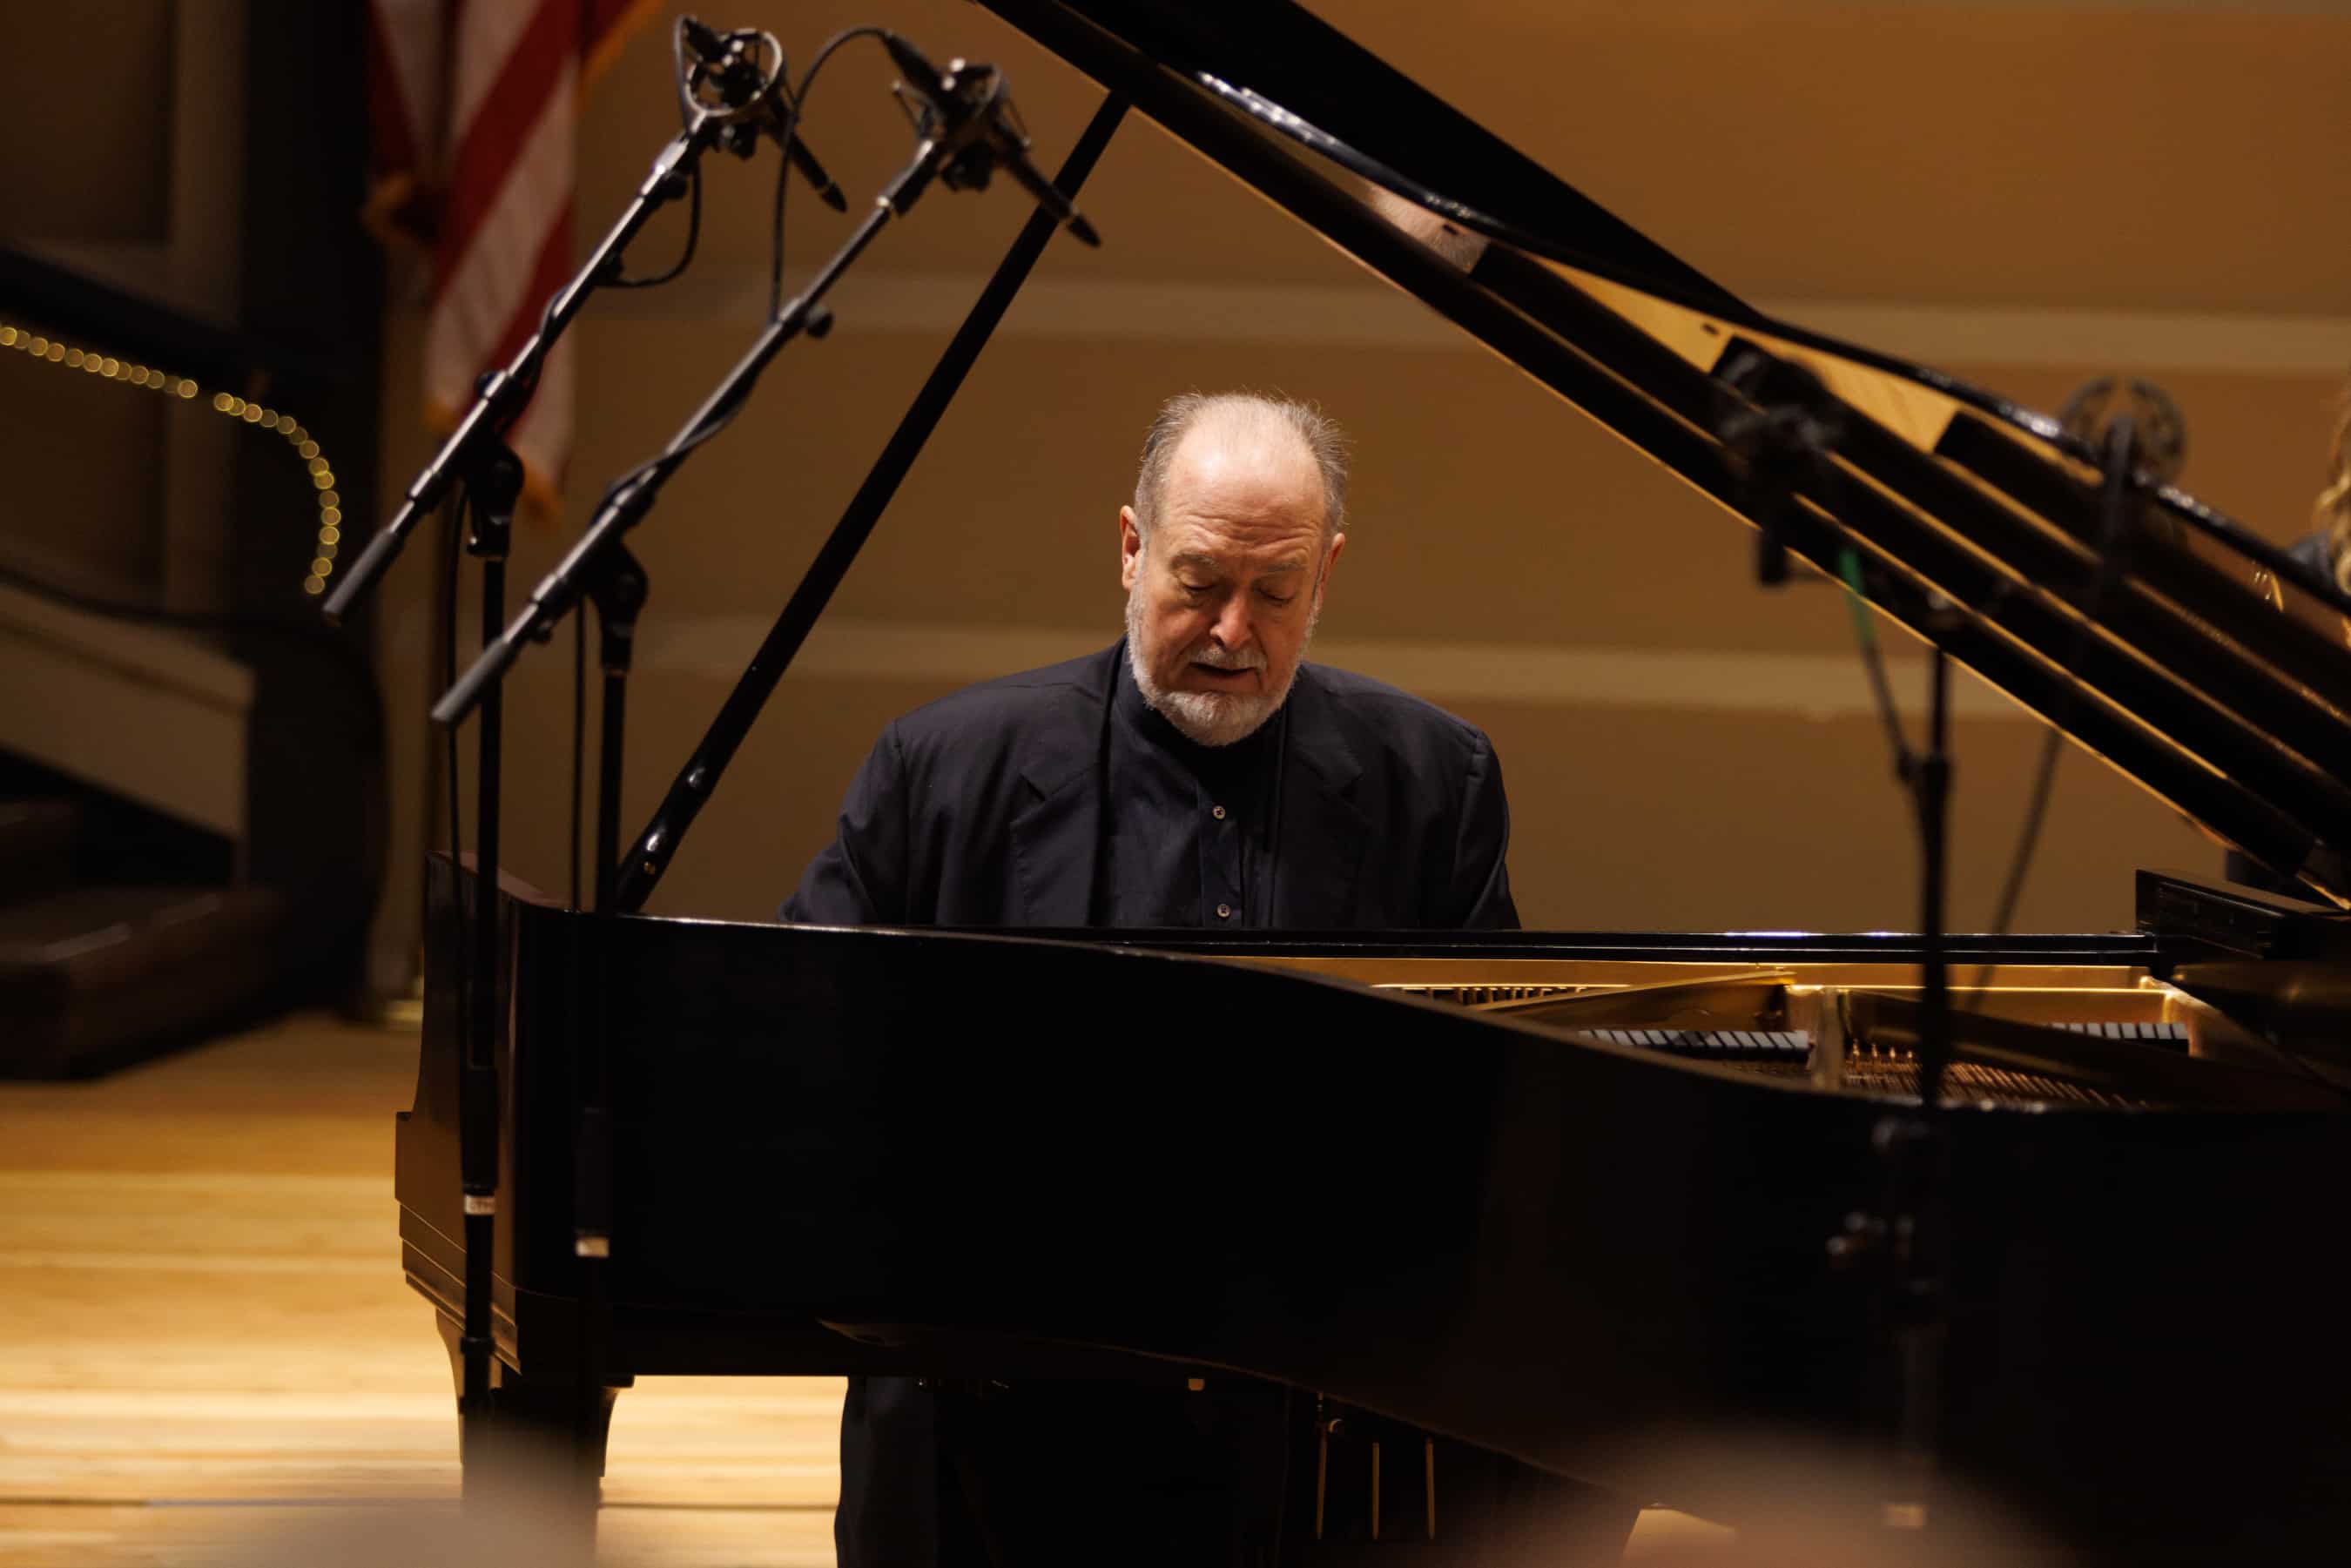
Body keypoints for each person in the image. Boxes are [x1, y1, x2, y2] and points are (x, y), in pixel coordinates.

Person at [785, 392, 1632, 1564]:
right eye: (1198, 582)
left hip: (1314, 1438)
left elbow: (1483, 1091)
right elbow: (800, 1050)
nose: (1234, 630)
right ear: (1130, 548)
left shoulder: (1432, 779)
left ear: (1325, 574)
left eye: (1275, 593)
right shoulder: (943, 770)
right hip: (992, 1417)